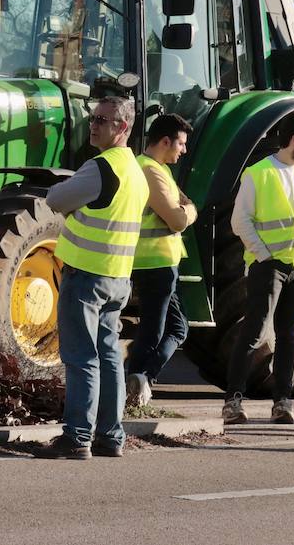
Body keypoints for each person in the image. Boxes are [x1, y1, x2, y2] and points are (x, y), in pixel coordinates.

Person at [36, 95, 150, 460]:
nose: (94, 124)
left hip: (86, 276)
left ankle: (77, 436)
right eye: (94, 117)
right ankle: (110, 436)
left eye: (103, 119)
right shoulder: (135, 170)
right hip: (117, 279)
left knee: (81, 357)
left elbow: (55, 197)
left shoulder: (101, 167)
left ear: (123, 127)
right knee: (108, 357)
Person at [221, 111, 294, 427]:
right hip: (269, 267)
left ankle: (282, 402)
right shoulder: (259, 173)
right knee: (252, 332)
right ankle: (233, 401)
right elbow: (240, 221)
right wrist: (264, 254)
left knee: (288, 336)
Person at [125, 113, 197, 408]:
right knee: (155, 329)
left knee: (176, 328)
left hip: (162, 261)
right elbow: (179, 218)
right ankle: (139, 379)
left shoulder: (159, 169)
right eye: (180, 143)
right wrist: (189, 211)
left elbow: (184, 206)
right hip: (154, 261)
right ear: (165, 141)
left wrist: (186, 208)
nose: (183, 150)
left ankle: (141, 379)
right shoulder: (149, 171)